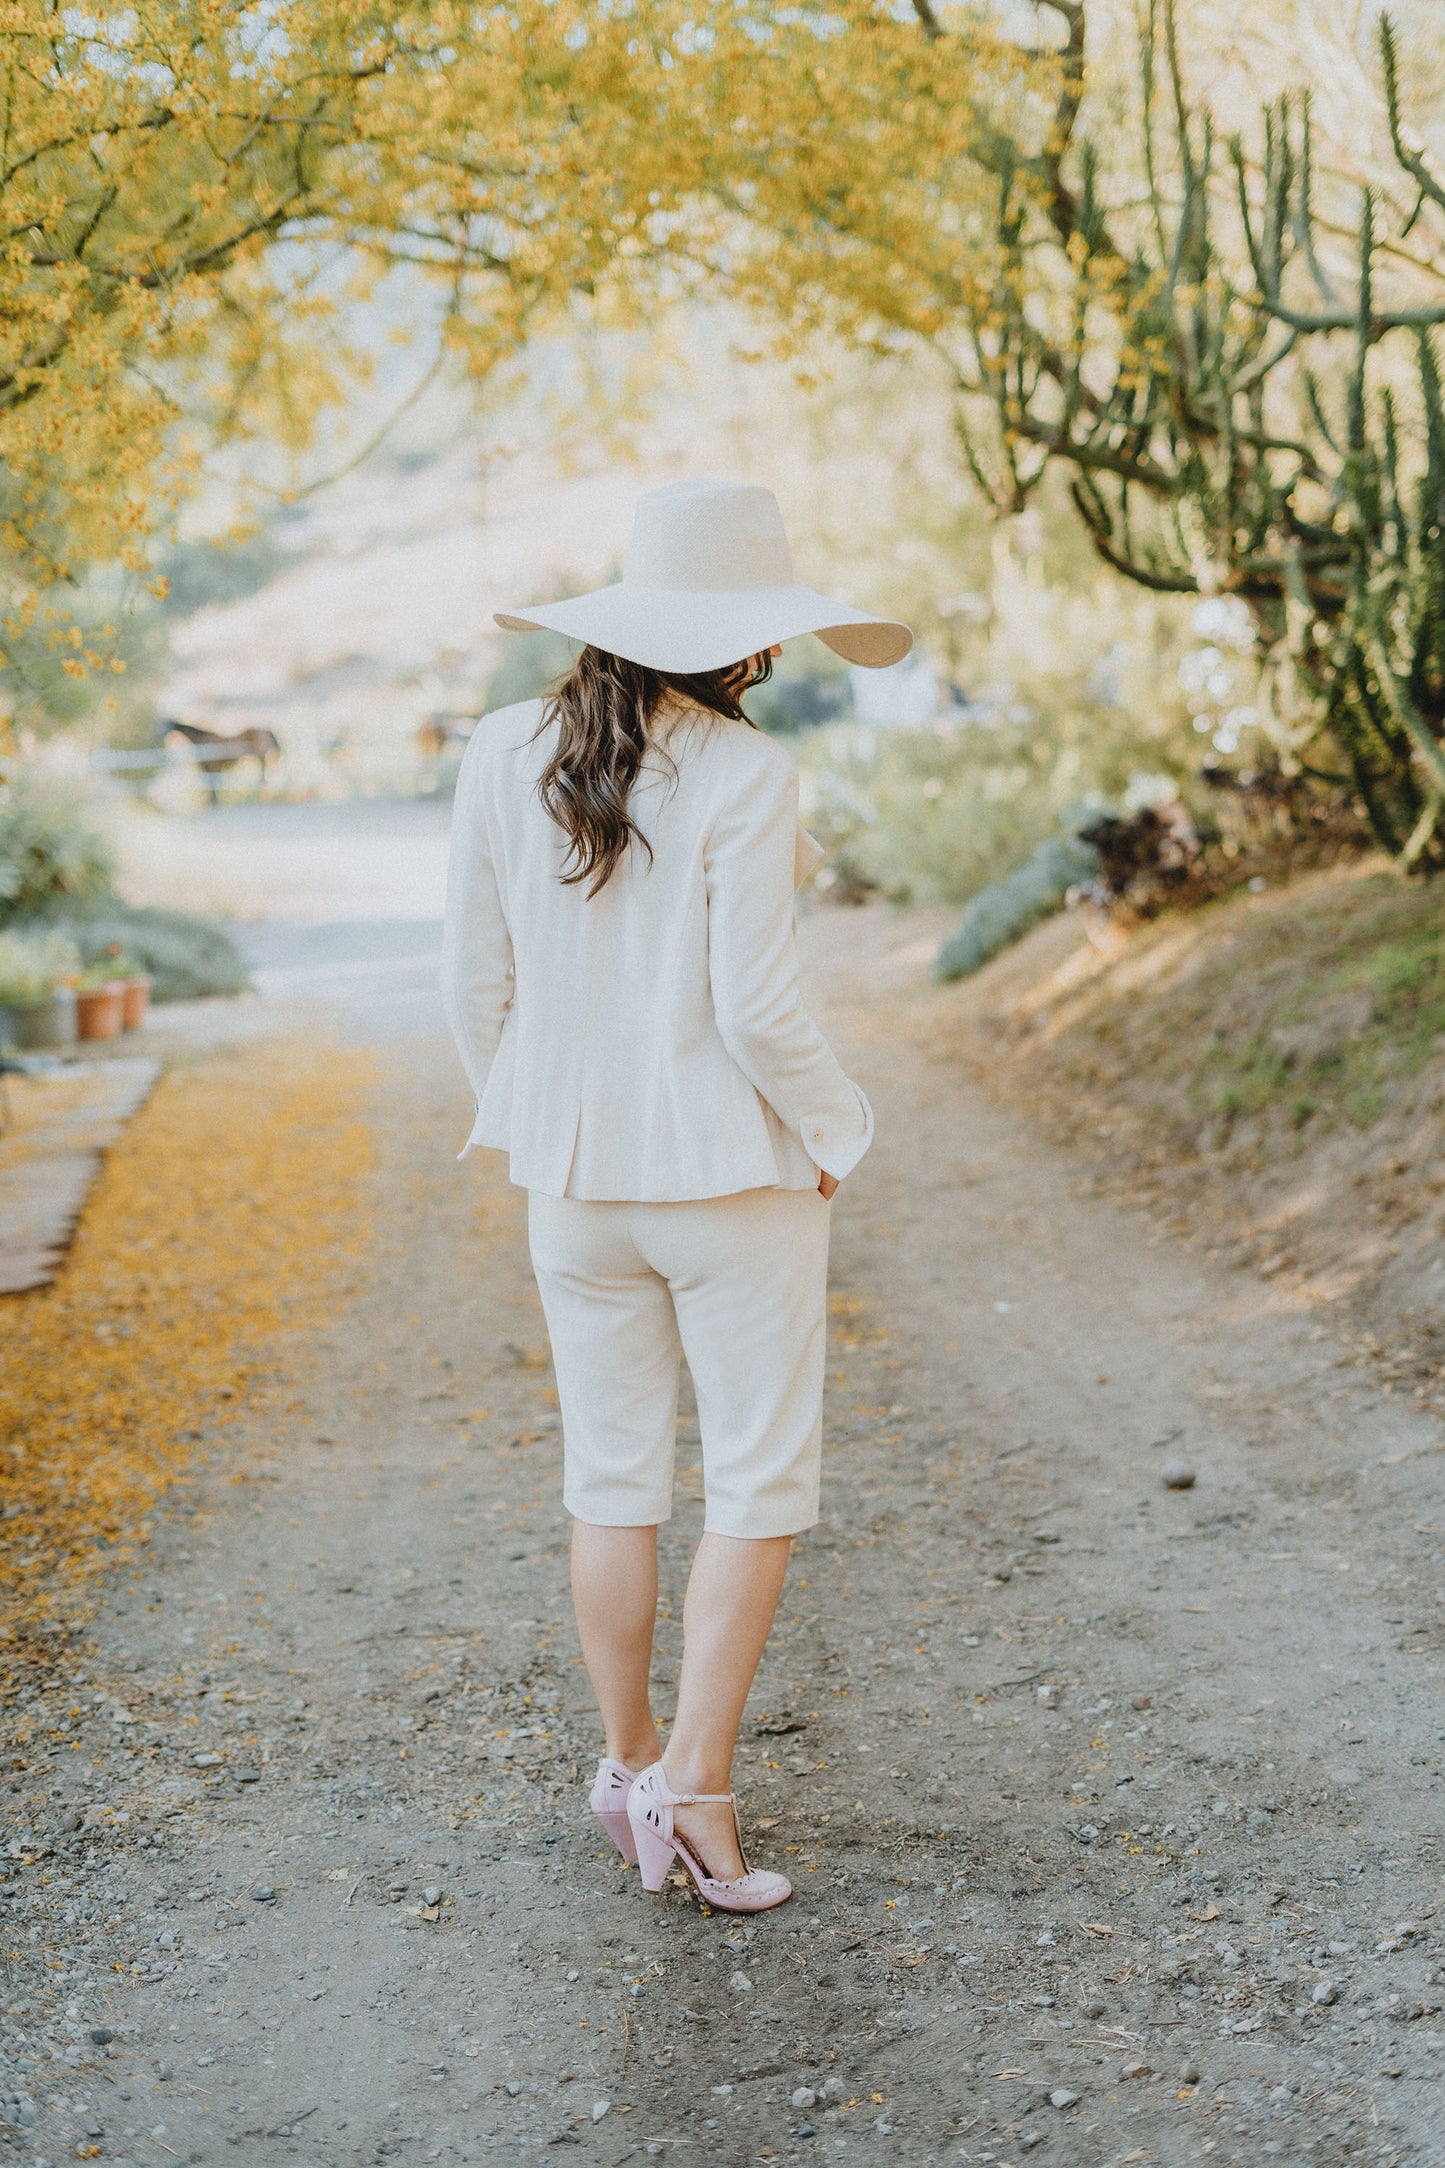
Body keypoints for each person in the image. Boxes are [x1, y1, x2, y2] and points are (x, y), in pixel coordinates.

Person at [442, 476, 911, 1912]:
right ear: (747, 640)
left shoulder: (500, 747)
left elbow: (474, 988)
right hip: (728, 1179)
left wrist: (539, 1120)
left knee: (611, 1480)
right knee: (755, 1482)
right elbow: (758, 1010)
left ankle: (631, 1765)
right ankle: (696, 1791)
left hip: (573, 1184)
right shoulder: (745, 772)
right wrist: (838, 1127)